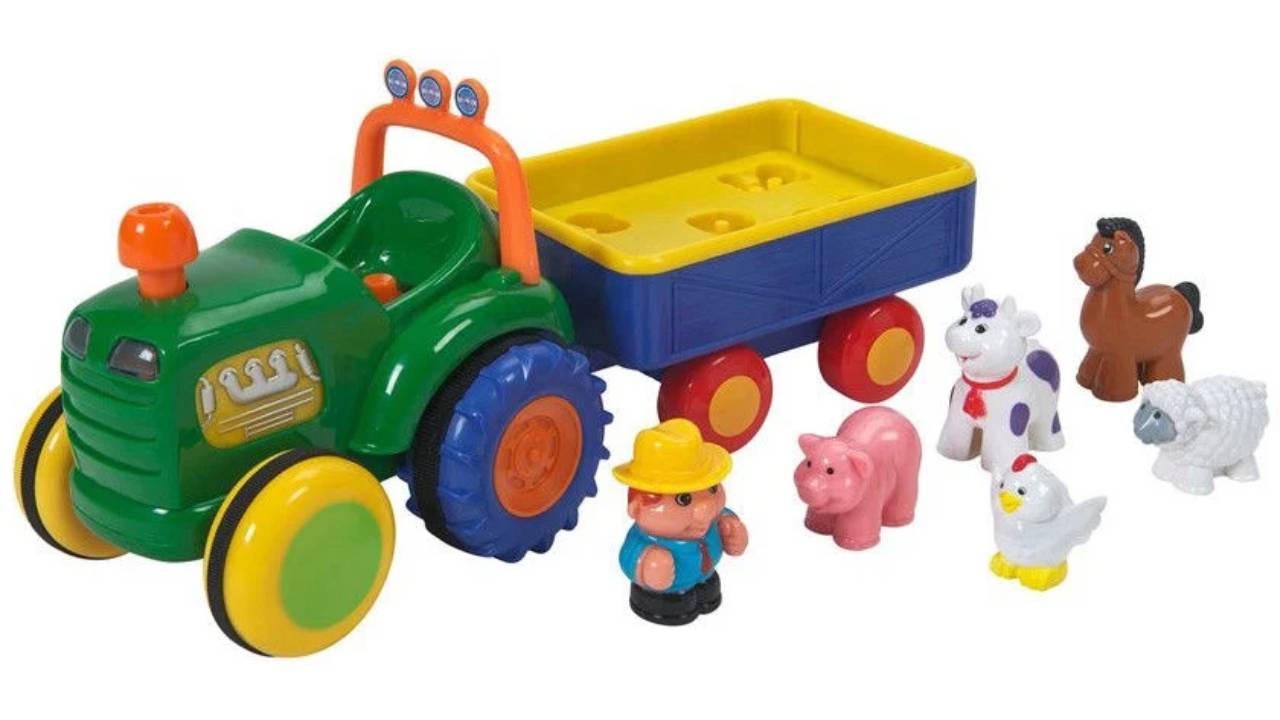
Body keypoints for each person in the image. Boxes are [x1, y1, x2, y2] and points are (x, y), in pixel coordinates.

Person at [615, 419, 749, 625]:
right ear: (637, 507)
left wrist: (731, 527)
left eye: (712, 489)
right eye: (683, 499)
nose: (706, 507)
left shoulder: (715, 520)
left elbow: (723, 517)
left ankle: (704, 588)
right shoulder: (644, 538)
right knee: (674, 603)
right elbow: (629, 556)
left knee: (707, 590)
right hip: (664, 596)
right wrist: (645, 565)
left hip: (706, 578)